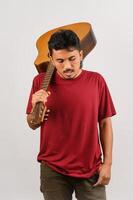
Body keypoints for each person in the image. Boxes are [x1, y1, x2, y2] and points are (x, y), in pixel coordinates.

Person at [26, 29, 116, 200]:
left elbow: (105, 124)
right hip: (53, 169)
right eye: (60, 60)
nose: (67, 66)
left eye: (72, 59)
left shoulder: (97, 81)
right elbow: (32, 123)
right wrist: (34, 107)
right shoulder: (40, 82)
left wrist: (108, 164)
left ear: (81, 54)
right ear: (51, 59)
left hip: (90, 168)